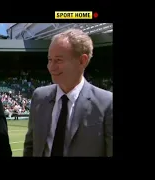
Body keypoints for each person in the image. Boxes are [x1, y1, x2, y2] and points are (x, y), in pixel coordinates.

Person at [23, 29, 113, 157]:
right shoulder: (39, 96)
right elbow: (30, 146)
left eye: (58, 60)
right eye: (50, 60)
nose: (51, 67)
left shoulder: (107, 102)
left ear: (82, 61)